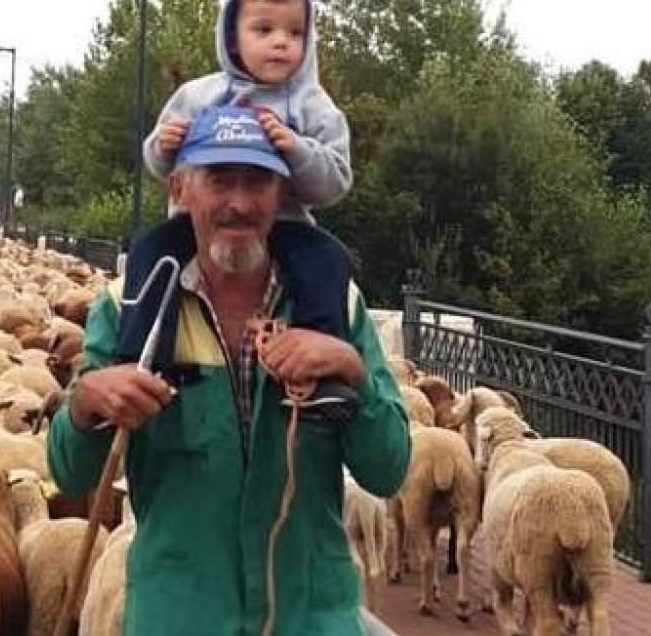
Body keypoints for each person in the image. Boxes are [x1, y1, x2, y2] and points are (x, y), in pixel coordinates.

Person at [49, 107, 410, 636]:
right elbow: (72, 475)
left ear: (281, 193)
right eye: (219, 180)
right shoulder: (131, 309)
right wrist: (84, 406)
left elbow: (388, 470)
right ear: (181, 188)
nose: (238, 203)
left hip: (310, 618)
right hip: (180, 618)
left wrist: (350, 368)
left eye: (258, 181)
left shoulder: (333, 306)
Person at [143, 0, 358, 420]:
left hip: (287, 226)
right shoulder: (199, 95)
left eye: (294, 32)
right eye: (264, 30)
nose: (280, 42)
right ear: (233, 38)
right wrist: (162, 147)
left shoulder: (312, 105)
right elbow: (163, 162)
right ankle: (143, 359)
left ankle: (323, 376)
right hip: (197, 227)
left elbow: (335, 180)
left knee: (327, 260)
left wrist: (296, 150)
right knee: (150, 253)